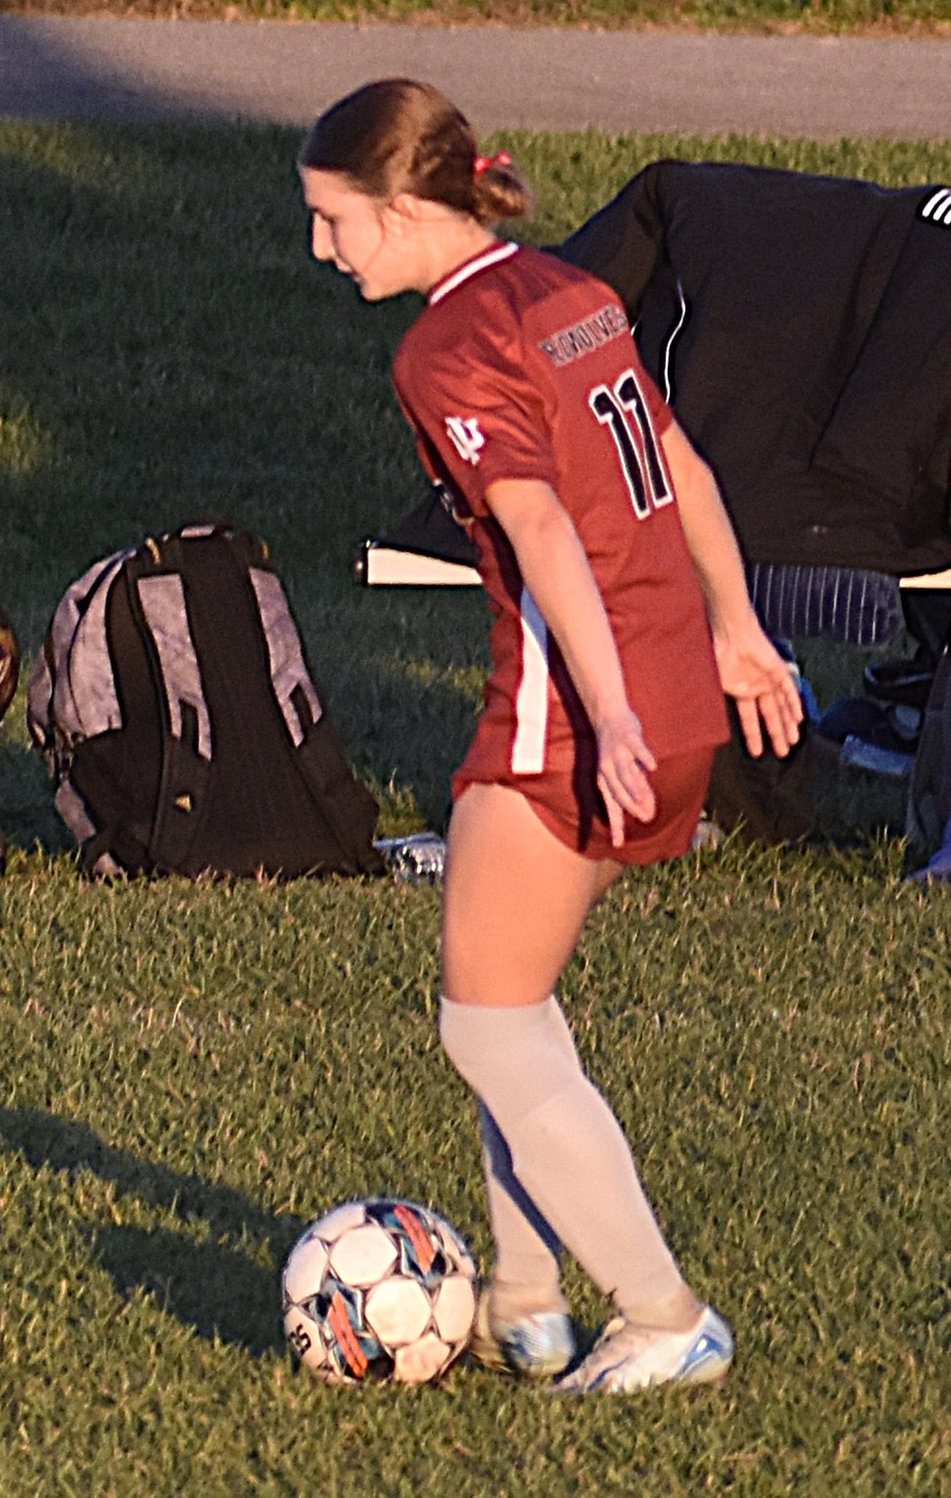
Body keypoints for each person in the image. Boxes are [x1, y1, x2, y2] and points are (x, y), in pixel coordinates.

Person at [299, 79, 804, 1392]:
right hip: (667, 682)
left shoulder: (441, 350)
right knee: (507, 1005)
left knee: (485, 1025)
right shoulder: (565, 291)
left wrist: (611, 711)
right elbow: (677, 464)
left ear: (407, 207)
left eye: (334, 219)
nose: (321, 248)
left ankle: (660, 1311)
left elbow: (535, 529)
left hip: (577, 707)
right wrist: (735, 628)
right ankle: (525, 1298)